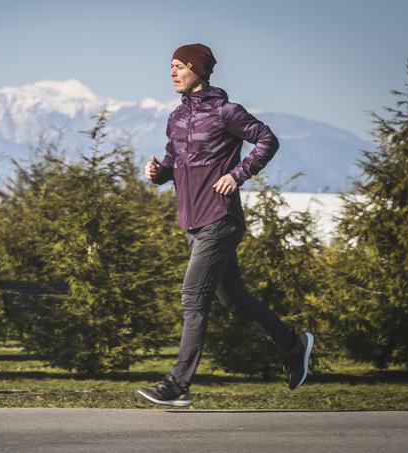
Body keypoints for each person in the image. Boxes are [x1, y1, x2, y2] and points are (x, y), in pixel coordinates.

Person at [135, 43, 314, 407]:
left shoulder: (225, 112)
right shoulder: (175, 117)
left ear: (197, 69)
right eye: (169, 66)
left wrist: (238, 173)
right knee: (235, 300)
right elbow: (173, 163)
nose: (172, 72)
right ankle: (293, 346)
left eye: (178, 66)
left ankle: (177, 384)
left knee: (193, 298)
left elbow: (267, 139)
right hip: (194, 222)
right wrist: (157, 174)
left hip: (220, 217)